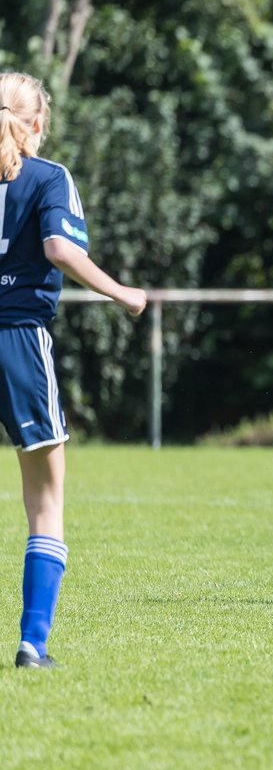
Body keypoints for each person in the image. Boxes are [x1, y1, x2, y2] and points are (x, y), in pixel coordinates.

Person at [0, 72, 148, 668]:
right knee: (46, 504)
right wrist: (124, 293)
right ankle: (33, 644)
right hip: (17, 342)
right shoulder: (48, 176)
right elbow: (61, 249)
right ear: (38, 124)